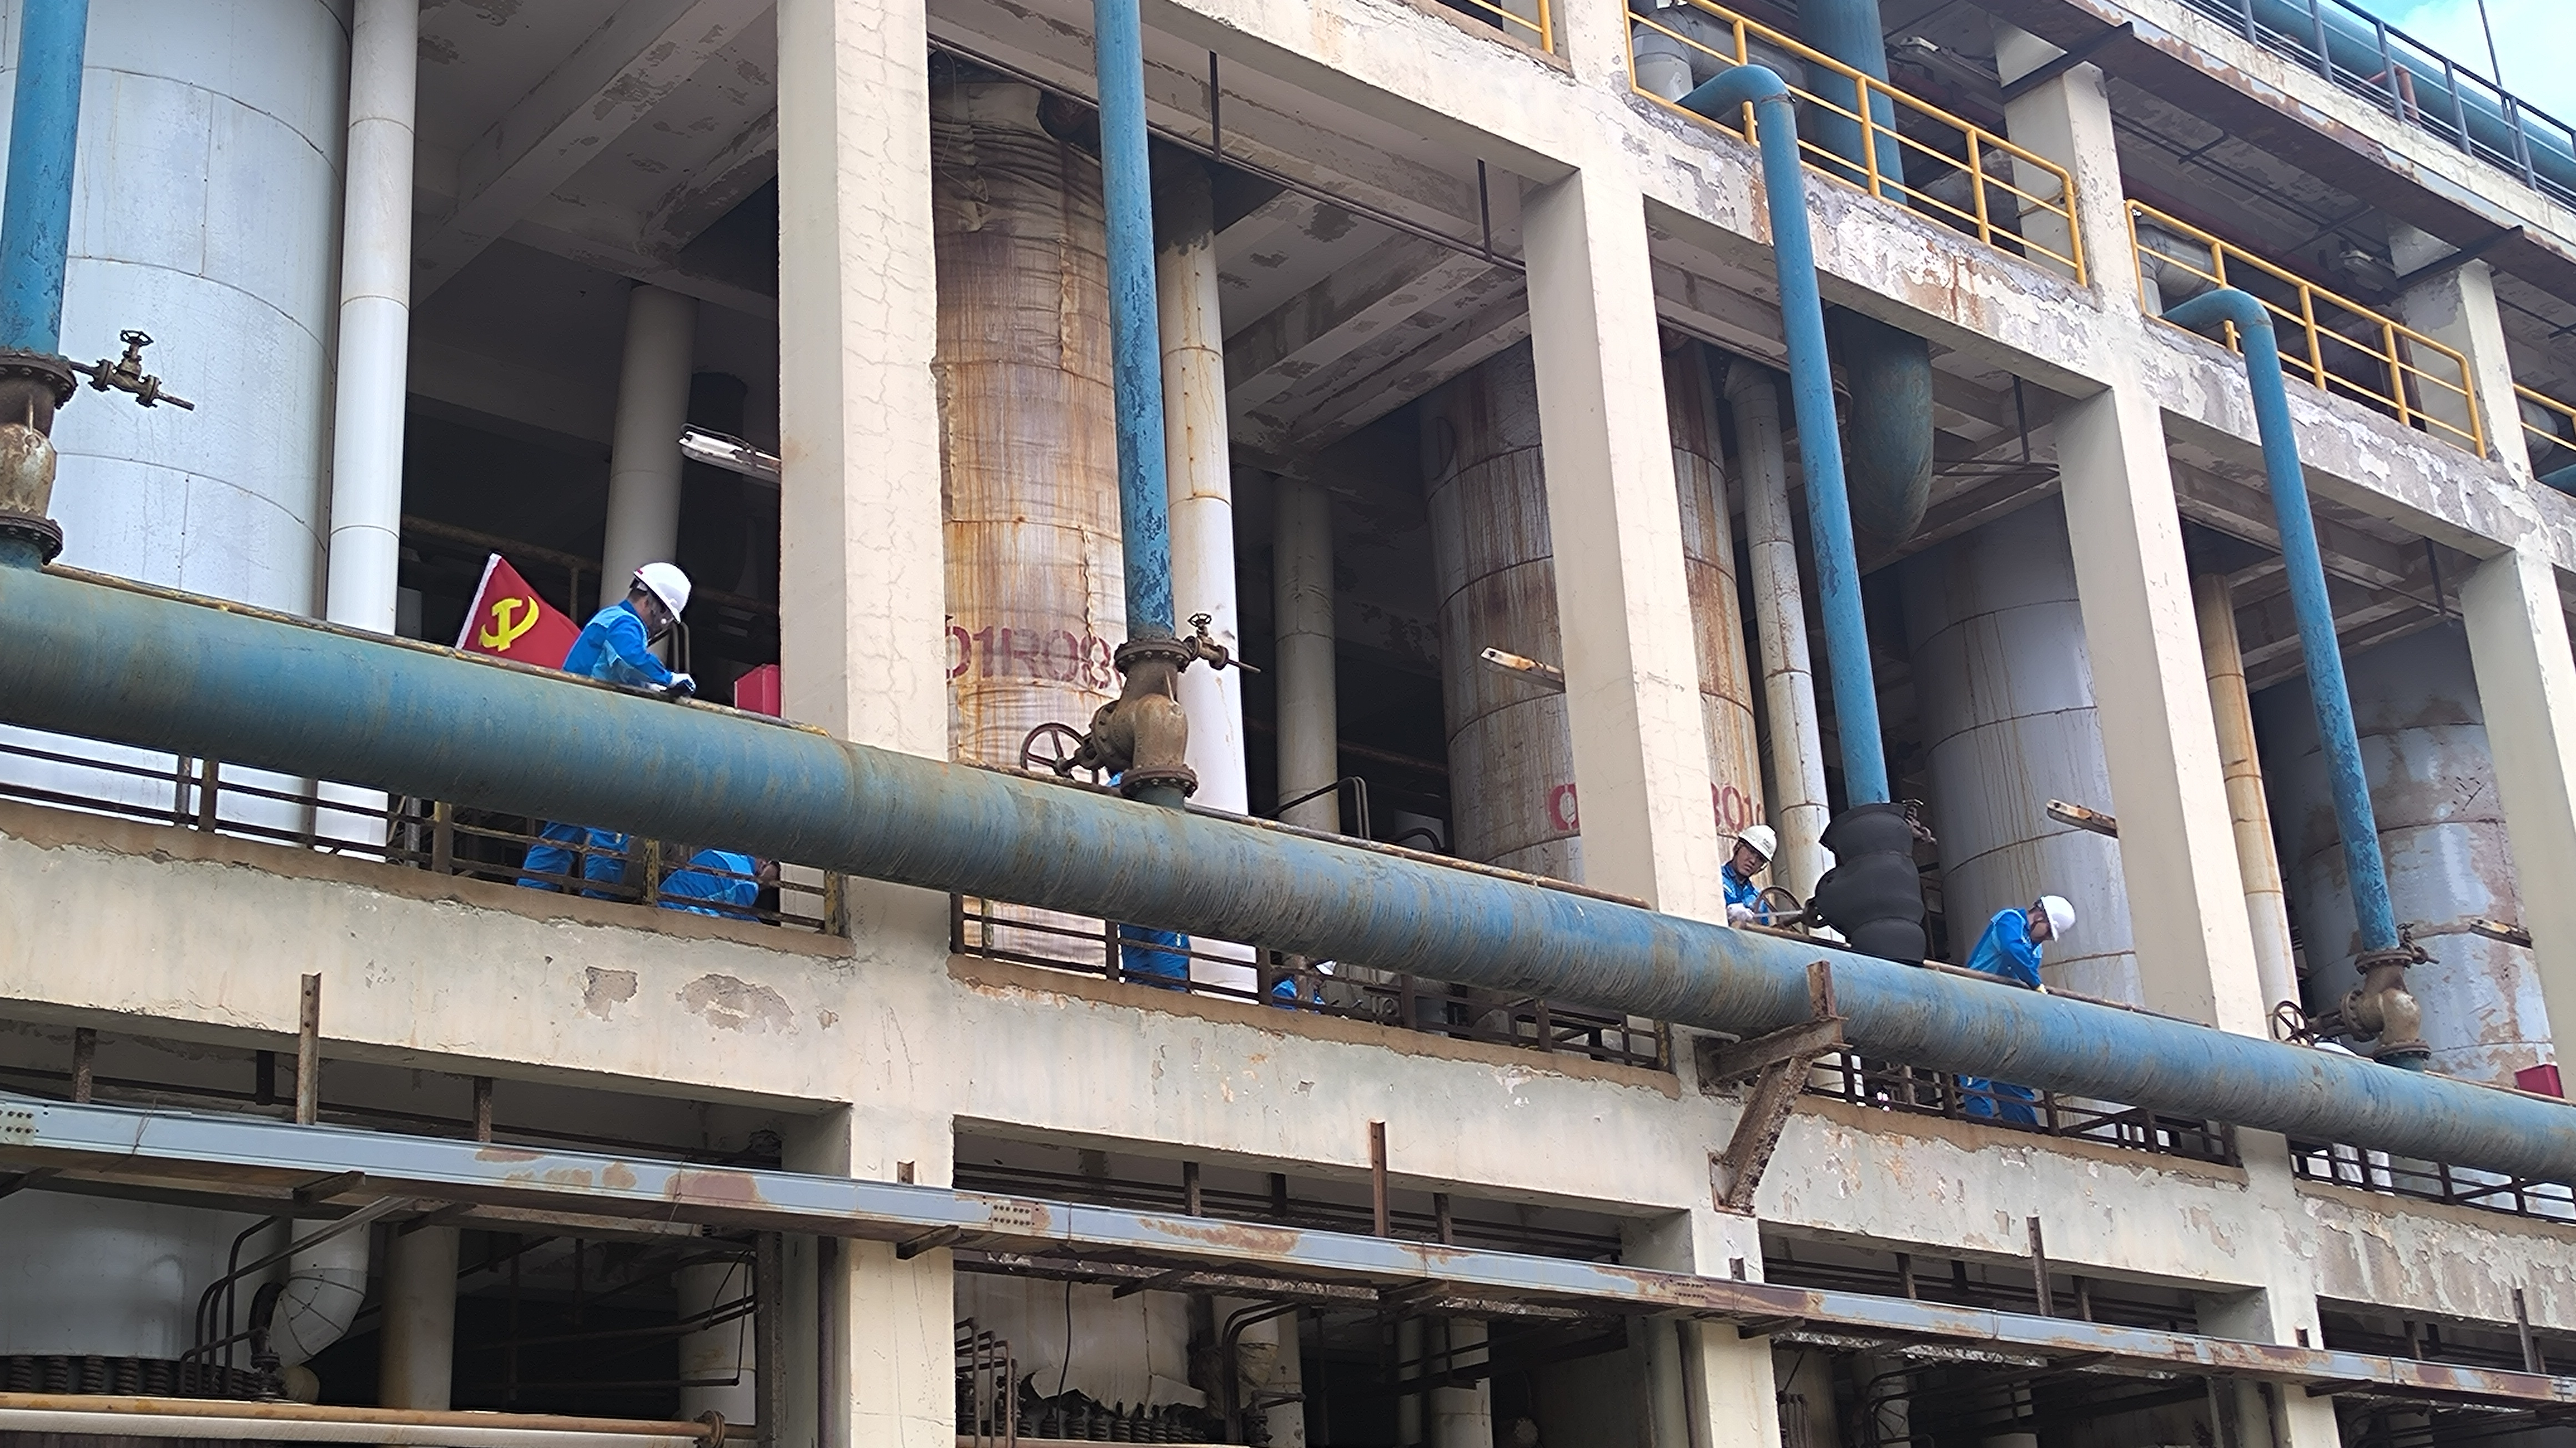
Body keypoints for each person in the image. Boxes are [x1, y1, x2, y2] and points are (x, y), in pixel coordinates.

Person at [519, 564, 696, 893]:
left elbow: (620, 671)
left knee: (564, 829)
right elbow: (630, 658)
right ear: (652, 603)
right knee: (610, 828)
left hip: (577, 736)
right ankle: (597, 907)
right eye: (665, 618)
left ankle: (528, 898)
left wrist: (654, 688)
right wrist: (668, 678)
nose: (661, 625)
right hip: (593, 741)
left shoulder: (611, 621)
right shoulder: (624, 623)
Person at [1956, 894, 2075, 1126]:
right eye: (2048, 932)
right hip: (1975, 1003)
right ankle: (1983, 1133)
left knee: (2013, 1077)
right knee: (1976, 1072)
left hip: (2006, 1013)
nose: (2047, 939)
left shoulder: (2035, 949)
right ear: (2039, 916)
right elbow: (2012, 951)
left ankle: (2026, 1135)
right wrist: (2036, 985)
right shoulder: (2009, 920)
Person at [658, 846, 767, 919]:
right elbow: (740, 920)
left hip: (660, 904)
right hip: (676, 915)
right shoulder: (747, 881)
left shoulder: (717, 852)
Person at [1722, 824, 1778, 926]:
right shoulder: (1715, 879)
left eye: (1760, 859)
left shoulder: (1758, 900)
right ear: (1738, 847)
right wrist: (1724, 914)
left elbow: (1763, 933)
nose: (1753, 861)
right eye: (1751, 852)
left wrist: (1752, 923)